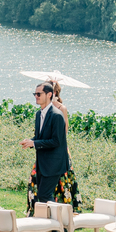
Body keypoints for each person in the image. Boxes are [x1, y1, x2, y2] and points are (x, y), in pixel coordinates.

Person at [23, 83, 80, 215]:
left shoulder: (57, 115)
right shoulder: (39, 114)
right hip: (42, 163)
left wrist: (34, 143)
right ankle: (49, 225)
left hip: (54, 163)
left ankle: (58, 223)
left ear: (49, 95)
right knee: (42, 196)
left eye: (39, 94)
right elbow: (40, 137)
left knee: (45, 195)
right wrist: (30, 141)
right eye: (35, 94)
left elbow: (56, 141)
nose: (36, 96)